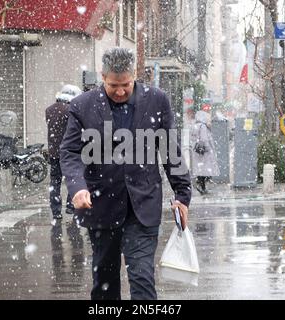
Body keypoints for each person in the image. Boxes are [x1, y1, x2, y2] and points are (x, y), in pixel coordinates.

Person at [60, 47, 191, 300]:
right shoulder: (82, 106)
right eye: (113, 85)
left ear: (134, 76)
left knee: (142, 279)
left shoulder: (157, 100)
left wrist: (182, 196)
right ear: (103, 77)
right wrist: (77, 187)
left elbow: (169, 151)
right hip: (100, 205)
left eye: (126, 85)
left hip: (143, 205)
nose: (120, 91)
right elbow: (70, 152)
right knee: (104, 283)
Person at [46, 84, 82, 224]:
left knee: (55, 183)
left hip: (54, 152)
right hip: (69, 152)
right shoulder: (71, 110)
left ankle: (56, 211)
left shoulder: (49, 110)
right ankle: (70, 206)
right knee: (72, 179)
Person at [190, 109, 220, 194]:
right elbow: (204, 139)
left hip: (197, 152)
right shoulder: (202, 126)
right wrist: (208, 148)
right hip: (204, 152)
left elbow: (193, 139)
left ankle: (201, 186)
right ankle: (201, 186)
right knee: (206, 171)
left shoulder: (194, 126)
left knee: (200, 171)